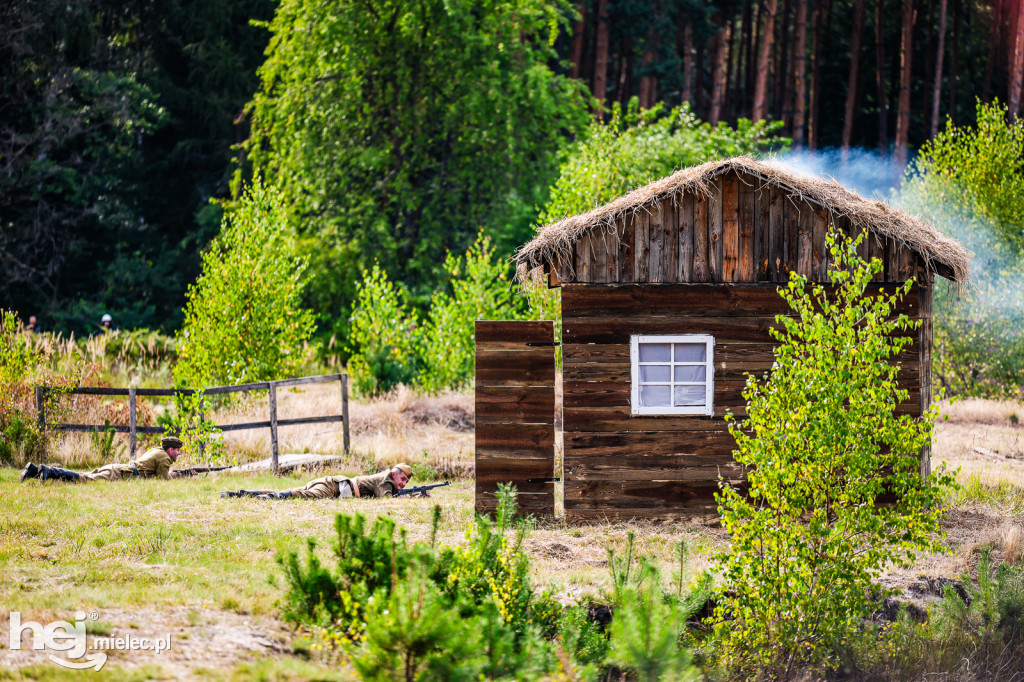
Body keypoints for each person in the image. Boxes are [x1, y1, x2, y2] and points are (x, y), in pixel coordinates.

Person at [20, 436, 185, 483]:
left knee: (83, 476)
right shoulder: (164, 458)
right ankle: (48, 471)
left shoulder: (157, 450)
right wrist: (178, 476)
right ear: (170, 450)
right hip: (120, 474)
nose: (178, 454)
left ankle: (34, 471)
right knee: (85, 479)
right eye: (177, 451)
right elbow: (163, 481)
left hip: (119, 469)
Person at [220, 463, 418, 500]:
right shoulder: (387, 481)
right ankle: (272, 497)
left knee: (296, 491)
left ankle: (243, 494)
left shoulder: (388, 478)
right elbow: (386, 499)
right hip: (335, 486)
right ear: (395, 473)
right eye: (403, 478)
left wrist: (413, 493)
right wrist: (414, 497)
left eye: (406, 482)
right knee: (305, 496)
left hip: (335, 484)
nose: (403, 484)